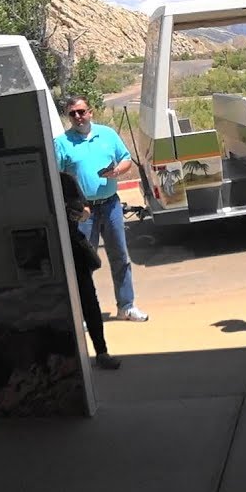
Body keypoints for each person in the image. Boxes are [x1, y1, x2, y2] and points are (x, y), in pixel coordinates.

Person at [54, 96, 149, 322]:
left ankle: (126, 307)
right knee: (83, 264)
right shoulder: (61, 143)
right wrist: (73, 207)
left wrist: (117, 171)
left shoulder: (107, 134)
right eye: (73, 113)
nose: (78, 116)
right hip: (83, 212)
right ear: (68, 117)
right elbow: (57, 178)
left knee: (120, 258)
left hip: (111, 205)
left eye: (81, 111)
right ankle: (84, 314)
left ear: (91, 112)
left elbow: (125, 158)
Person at [58, 171, 122, 370]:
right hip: (45, 252)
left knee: (89, 301)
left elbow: (85, 210)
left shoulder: (65, 180)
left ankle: (101, 352)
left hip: (74, 249)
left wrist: (76, 214)